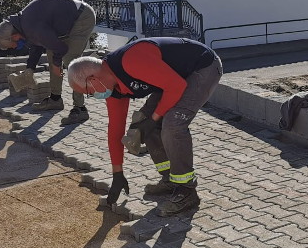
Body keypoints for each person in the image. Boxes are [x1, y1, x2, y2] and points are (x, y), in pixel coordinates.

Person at [67, 37, 223, 216]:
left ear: (93, 79)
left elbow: (176, 86)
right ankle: (170, 178)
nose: (92, 96)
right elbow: (116, 131)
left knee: (173, 123)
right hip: (173, 77)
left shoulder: (131, 62)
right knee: (141, 125)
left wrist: (154, 119)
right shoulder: (114, 89)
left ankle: (186, 190)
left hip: (202, 67)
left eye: (88, 92)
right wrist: (117, 173)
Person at [0, 0, 96, 126]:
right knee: (52, 55)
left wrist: (58, 64)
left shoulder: (31, 26)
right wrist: (30, 69)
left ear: (14, 36)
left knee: (72, 62)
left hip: (82, 18)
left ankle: (80, 109)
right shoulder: (23, 24)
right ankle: (55, 99)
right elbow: (37, 45)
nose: (15, 48)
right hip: (65, 24)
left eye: (13, 45)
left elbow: (61, 48)